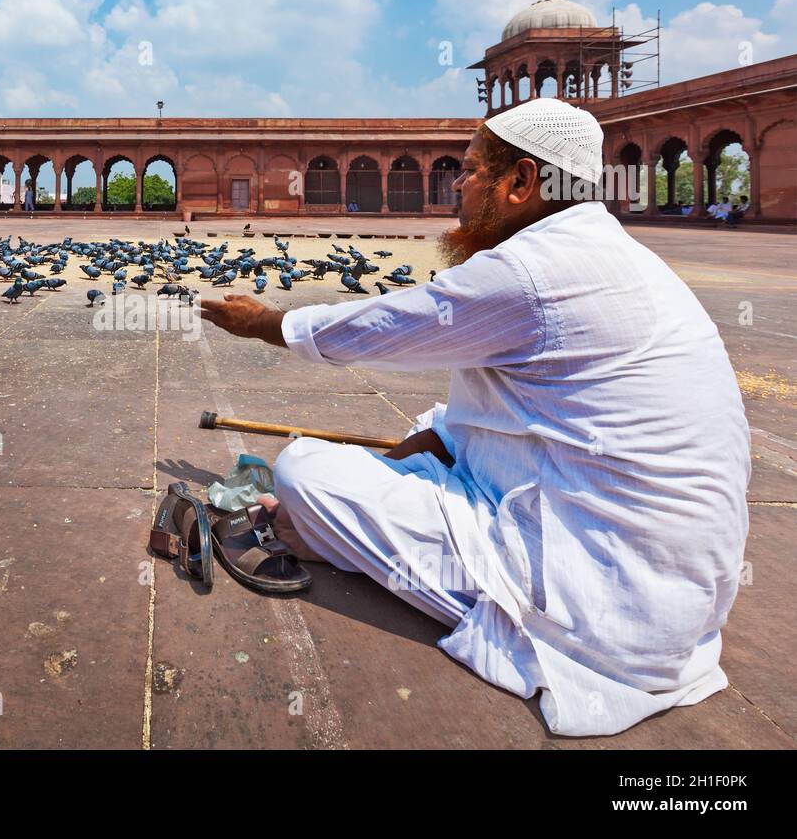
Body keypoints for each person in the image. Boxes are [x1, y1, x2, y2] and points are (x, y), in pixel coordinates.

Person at [199, 99, 749, 737]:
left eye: (468, 172)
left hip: (596, 600)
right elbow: (512, 407)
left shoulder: (531, 269)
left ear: (520, 182)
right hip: (678, 595)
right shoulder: (615, 255)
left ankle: (317, 535)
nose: (456, 186)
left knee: (302, 472)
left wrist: (265, 322)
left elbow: (387, 327)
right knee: (444, 417)